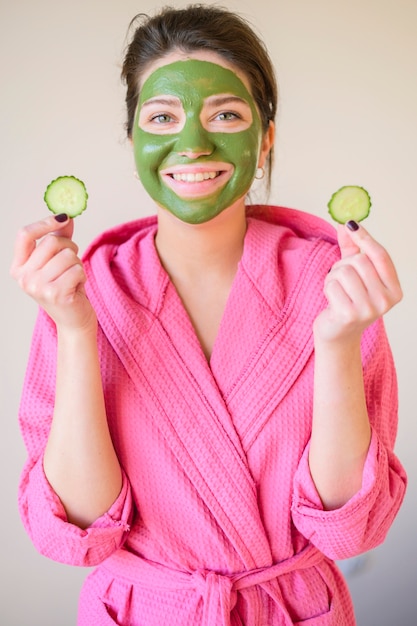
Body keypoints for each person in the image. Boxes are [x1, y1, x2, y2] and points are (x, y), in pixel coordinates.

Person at [10, 5, 407, 625]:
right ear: (134, 136)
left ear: (265, 136)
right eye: (162, 117)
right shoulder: (82, 291)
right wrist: (78, 328)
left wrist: (336, 344)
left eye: (225, 114)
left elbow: (347, 530)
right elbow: (80, 531)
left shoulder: (332, 286)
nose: (192, 143)